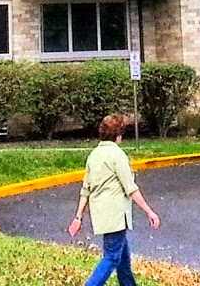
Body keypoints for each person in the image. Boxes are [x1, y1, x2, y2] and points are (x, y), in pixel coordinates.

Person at [68, 114, 160, 286]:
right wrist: (149, 211)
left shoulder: (93, 155)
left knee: (123, 259)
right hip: (116, 215)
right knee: (111, 257)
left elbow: (85, 189)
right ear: (118, 135)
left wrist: (78, 217)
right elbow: (130, 188)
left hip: (101, 215)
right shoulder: (117, 155)